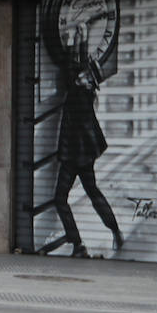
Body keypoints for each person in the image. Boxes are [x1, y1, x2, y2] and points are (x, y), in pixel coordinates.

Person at [52, 24, 123, 258]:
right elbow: (77, 67)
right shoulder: (86, 94)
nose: (80, 75)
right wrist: (81, 39)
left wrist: (78, 40)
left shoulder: (77, 93)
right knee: (93, 191)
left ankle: (77, 244)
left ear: (86, 81)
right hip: (85, 154)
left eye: (83, 75)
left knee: (60, 198)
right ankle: (115, 231)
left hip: (73, 155)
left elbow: (71, 68)